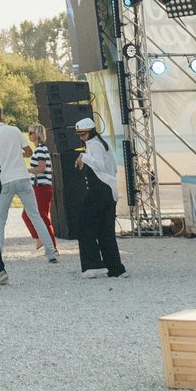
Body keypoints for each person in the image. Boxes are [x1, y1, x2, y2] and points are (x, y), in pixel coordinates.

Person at [0, 106, 55, 265]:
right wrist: (18, 154)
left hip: (4, 179)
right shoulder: (14, 130)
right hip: (22, 177)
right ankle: (51, 251)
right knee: (36, 216)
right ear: (2, 116)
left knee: (1, 220)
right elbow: (28, 151)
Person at [73, 116, 127, 279]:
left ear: (90, 132)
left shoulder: (95, 144)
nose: (81, 137)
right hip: (109, 190)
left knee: (84, 225)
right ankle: (116, 268)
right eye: (79, 134)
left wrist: (84, 157)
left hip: (100, 190)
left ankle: (93, 265)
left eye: (83, 134)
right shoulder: (102, 144)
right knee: (105, 231)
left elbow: (100, 166)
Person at [28, 126, 59, 252]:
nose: (29, 135)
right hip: (38, 186)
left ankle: (52, 246)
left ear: (37, 134)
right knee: (27, 214)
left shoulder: (40, 149)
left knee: (43, 215)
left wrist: (27, 170)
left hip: (42, 187)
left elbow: (42, 168)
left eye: (31, 132)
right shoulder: (40, 150)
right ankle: (40, 238)